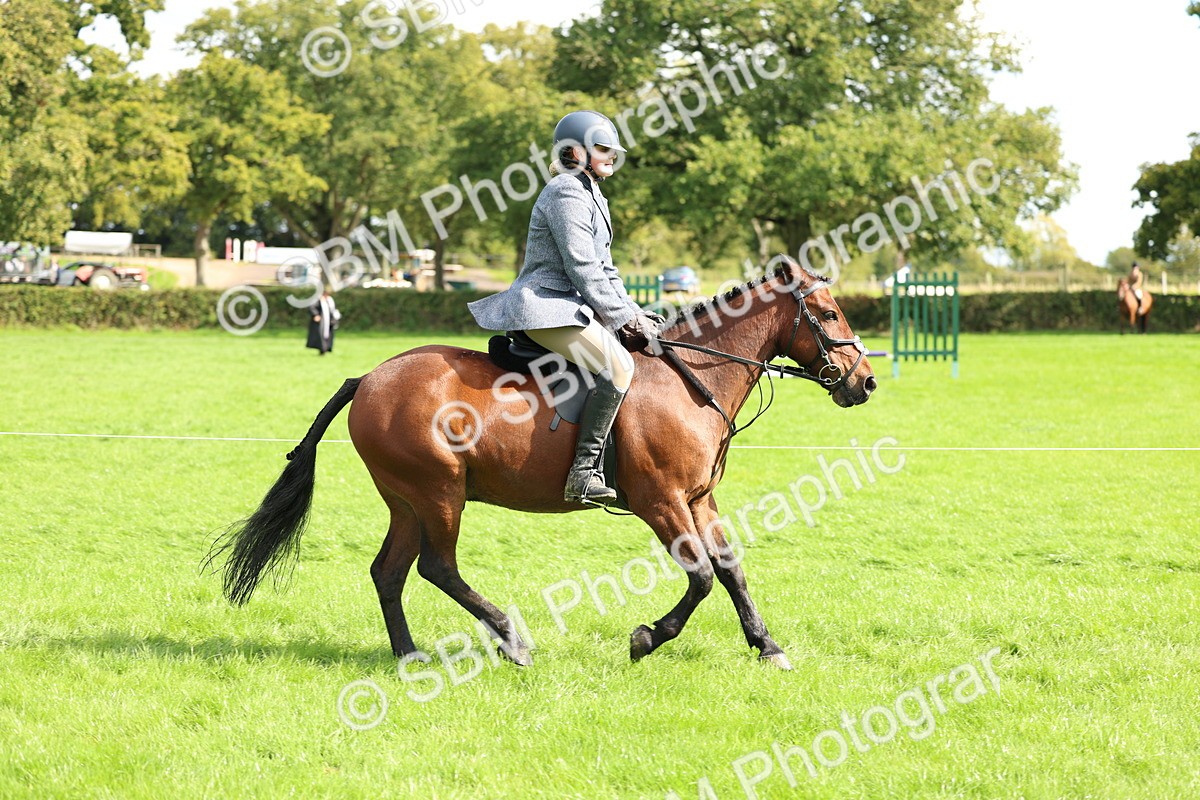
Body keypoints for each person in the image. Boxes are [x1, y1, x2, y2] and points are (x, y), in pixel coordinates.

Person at [468, 110, 662, 506]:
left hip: (571, 308)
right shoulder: (566, 192)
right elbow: (582, 268)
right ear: (576, 152)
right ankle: (583, 475)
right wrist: (622, 318)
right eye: (604, 149)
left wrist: (633, 310)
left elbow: (607, 269)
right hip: (546, 307)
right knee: (619, 366)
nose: (612, 156)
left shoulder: (592, 193)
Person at [307, 287, 340, 356]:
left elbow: (332, 310)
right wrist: (316, 315)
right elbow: (312, 307)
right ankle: (322, 349)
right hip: (321, 322)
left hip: (328, 322)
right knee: (320, 335)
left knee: (327, 335)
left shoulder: (329, 300)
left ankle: (326, 348)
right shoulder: (317, 300)